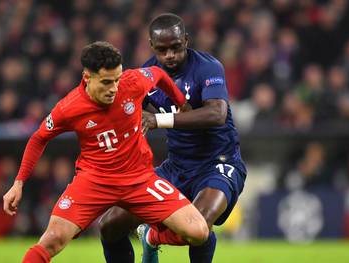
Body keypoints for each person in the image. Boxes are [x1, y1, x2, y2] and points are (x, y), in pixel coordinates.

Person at [2, 41, 209, 263]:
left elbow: (158, 74)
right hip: (94, 181)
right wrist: (19, 182)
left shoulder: (132, 83)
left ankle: (151, 238)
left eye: (117, 80)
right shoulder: (69, 108)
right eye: (106, 82)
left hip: (140, 179)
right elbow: (38, 138)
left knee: (199, 232)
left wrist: (181, 102)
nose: (114, 88)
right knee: (52, 239)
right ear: (87, 77)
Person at [99, 13, 247, 263]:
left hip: (218, 163)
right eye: (162, 49)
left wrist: (158, 120)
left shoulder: (208, 67)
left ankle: (151, 237)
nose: (170, 55)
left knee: (197, 227)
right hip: (176, 167)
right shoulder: (145, 75)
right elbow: (124, 113)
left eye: (176, 47)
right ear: (152, 47)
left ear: (186, 40)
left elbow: (217, 113)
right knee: (110, 224)